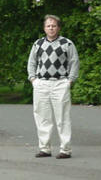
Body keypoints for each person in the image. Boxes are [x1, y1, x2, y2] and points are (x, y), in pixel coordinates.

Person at [27, 14, 79, 159]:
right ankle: (45, 148)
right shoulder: (38, 44)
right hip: (41, 83)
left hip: (60, 83)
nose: (51, 28)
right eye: (48, 26)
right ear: (44, 28)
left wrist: (70, 81)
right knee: (42, 117)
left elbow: (74, 62)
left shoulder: (66, 44)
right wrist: (33, 79)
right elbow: (31, 62)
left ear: (58, 27)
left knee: (62, 117)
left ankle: (65, 149)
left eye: (54, 25)